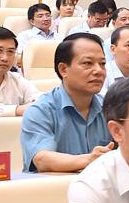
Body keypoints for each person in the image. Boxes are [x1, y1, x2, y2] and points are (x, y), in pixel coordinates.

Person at [21, 33, 114, 172]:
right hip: (55, 185)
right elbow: (42, 159)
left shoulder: (109, 108)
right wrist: (89, 160)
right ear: (63, 69)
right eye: (87, 63)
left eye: (102, 64)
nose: (99, 71)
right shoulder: (41, 110)